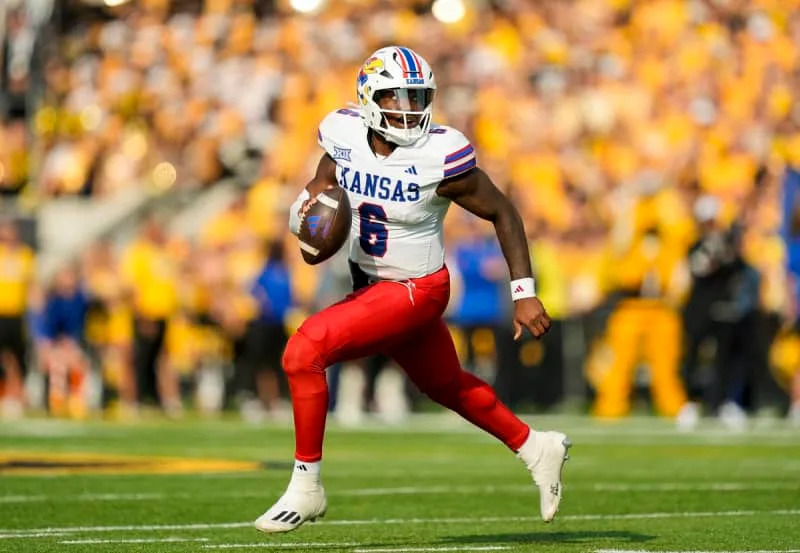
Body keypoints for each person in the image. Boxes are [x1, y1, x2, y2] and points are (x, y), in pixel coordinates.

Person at [254, 46, 571, 534]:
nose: (407, 108)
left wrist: (523, 290)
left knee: (303, 352)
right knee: (446, 386)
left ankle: (306, 486)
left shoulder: (439, 154)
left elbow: (503, 211)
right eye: (394, 96)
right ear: (368, 98)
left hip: (418, 288)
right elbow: (324, 185)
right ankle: (536, 446)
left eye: (416, 97)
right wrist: (314, 226)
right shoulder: (341, 134)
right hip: (370, 284)